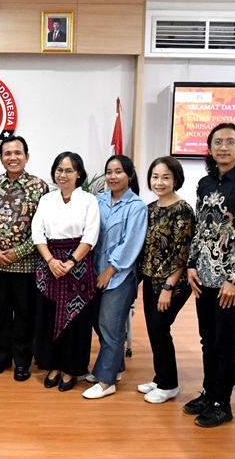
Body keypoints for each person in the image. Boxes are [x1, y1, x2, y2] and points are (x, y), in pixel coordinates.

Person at [184, 123, 235, 427]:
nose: (223, 147)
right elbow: (200, 228)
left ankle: (223, 403)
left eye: (230, 142)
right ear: (209, 149)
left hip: (230, 280)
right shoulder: (205, 183)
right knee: (207, 339)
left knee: (225, 341)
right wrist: (191, 264)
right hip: (203, 276)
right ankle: (209, 393)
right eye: (217, 142)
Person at [31, 152, 100, 392]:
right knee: (49, 317)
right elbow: (37, 233)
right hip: (49, 264)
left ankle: (71, 369)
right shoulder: (46, 200)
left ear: (79, 174)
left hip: (78, 266)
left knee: (76, 320)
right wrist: (50, 260)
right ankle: (52, 366)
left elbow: (91, 235)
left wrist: (70, 262)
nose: (63, 175)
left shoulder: (89, 200)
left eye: (69, 170)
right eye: (59, 170)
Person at [0, 135, 48, 381]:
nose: (13, 157)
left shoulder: (39, 187)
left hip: (27, 264)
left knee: (24, 314)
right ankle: (0, 358)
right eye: (7, 153)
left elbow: (44, 228)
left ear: (26, 157)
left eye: (17, 153)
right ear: (1, 158)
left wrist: (19, 251)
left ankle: (22, 361)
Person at [83, 154, 147, 400]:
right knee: (98, 322)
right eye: (109, 171)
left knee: (110, 326)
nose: (112, 176)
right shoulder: (97, 200)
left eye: (118, 171)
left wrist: (110, 271)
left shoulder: (136, 206)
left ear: (129, 175)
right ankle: (114, 367)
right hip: (94, 273)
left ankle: (106, 381)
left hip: (119, 276)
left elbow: (131, 244)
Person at [137, 156, 195, 404]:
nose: (159, 182)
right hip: (151, 279)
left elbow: (182, 253)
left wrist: (168, 287)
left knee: (160, 328)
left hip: (173, 283)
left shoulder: (182, 210)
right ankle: (161, 377)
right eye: (155, 177)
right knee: (154, 329)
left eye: (165, 177)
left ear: (176, 180)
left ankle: (169, 385)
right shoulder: (151, 208)